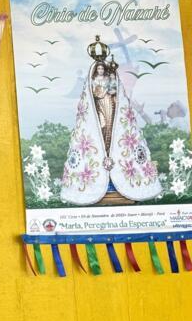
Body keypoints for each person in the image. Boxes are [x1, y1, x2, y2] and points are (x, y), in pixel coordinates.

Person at [60, 36, 161, 205]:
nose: (100, 71)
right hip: (99, 106)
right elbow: (94, 97)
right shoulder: (93, 82)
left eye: (102, 69)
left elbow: (115, 92)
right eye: (98, 69)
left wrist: (112, 84)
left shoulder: (110, 79)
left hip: (111, 106)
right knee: (101, 130)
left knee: (113, 132)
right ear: (95, 70)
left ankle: (122, 184)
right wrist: (100, 92)